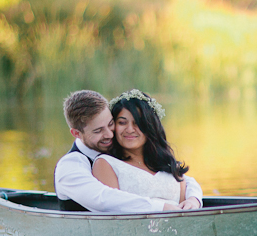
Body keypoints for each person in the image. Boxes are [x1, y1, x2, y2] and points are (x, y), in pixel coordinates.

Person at [54, 90, 202, 212]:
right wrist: (162, 207)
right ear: (76, 133)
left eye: (111, 124)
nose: (110, 134)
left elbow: (181, 179)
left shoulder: (118, 148)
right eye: (98, 131)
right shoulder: (70, 165)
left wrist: (193, 198)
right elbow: (103, 198)